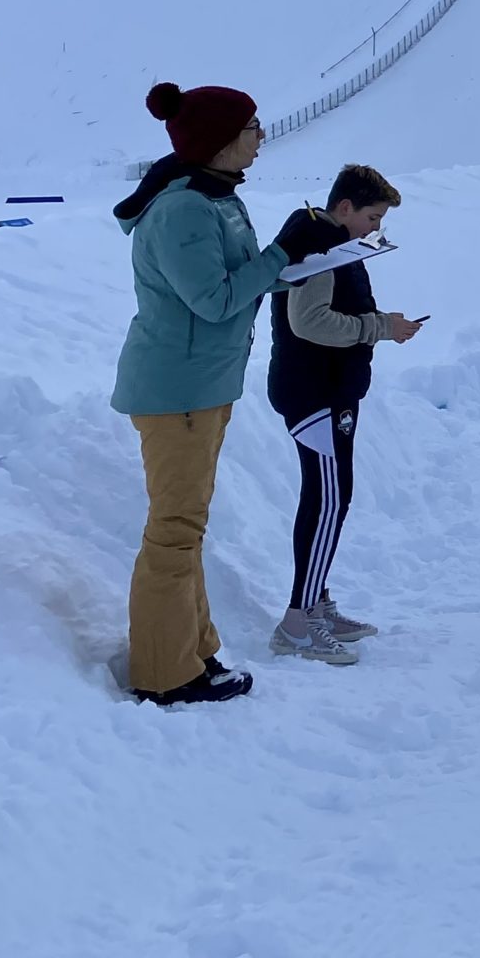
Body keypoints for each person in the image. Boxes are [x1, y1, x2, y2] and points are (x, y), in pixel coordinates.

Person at [110, 82, 329, 706]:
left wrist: (295, 256)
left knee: (188, 527)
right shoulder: (184, 209)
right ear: (218, 140)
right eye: (252, 126)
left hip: (201, 386)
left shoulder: (214, 196)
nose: (262, 136)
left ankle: (194, 651)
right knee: (174, 530)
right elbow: (216, 300)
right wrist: (284, 249)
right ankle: (164, 674)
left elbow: (234, 278)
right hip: (176, 392)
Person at [266, 165, 424, 666]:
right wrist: (382, 327)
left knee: (333, 497)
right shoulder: (320, 247)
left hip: (329, 389)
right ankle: (297, 623)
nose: (375, 230)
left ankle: (315, 604)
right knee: (329, 501)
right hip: (315, 392)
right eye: (372, 217)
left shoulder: (331, 242)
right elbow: (309, 321)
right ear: (344, 208)